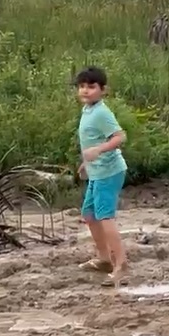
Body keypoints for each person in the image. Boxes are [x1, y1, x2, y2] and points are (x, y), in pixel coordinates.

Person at [74, 67, 129, 287]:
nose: (85, 91)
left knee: (105, 217)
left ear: (103, 90)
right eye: (82, 87)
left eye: (91, 86)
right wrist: (86, 163)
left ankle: (121, 264)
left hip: (109, 172)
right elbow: (90, 140)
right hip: (96, 171)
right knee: (89, 213)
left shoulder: (102, 112)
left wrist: (99, 151)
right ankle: (104, 258)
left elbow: (119, 137)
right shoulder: (88, 110)